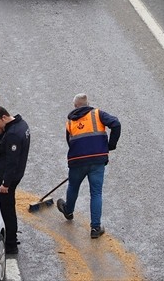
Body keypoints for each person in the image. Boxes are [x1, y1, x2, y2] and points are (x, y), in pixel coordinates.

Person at [57, 93, 121, 240]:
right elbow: (116, 124)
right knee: (96, 193)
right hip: (97, 160)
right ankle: (95, 228)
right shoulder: (98, 114)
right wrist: (110, 145)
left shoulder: (70, 123)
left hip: (77, 161)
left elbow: (70, 142)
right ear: (88, 104)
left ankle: (68, 211)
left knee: (73, 186)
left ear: (75, 106)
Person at [0, 107, 30, 255]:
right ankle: (10, 239)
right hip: (15, 175)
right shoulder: (22, 124)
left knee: (7, 210)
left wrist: (5, 184)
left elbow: (12, 161)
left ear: (4, 118)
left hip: (8, 179)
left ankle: (10, 243)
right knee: (9, 207)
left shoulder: (13, 134)